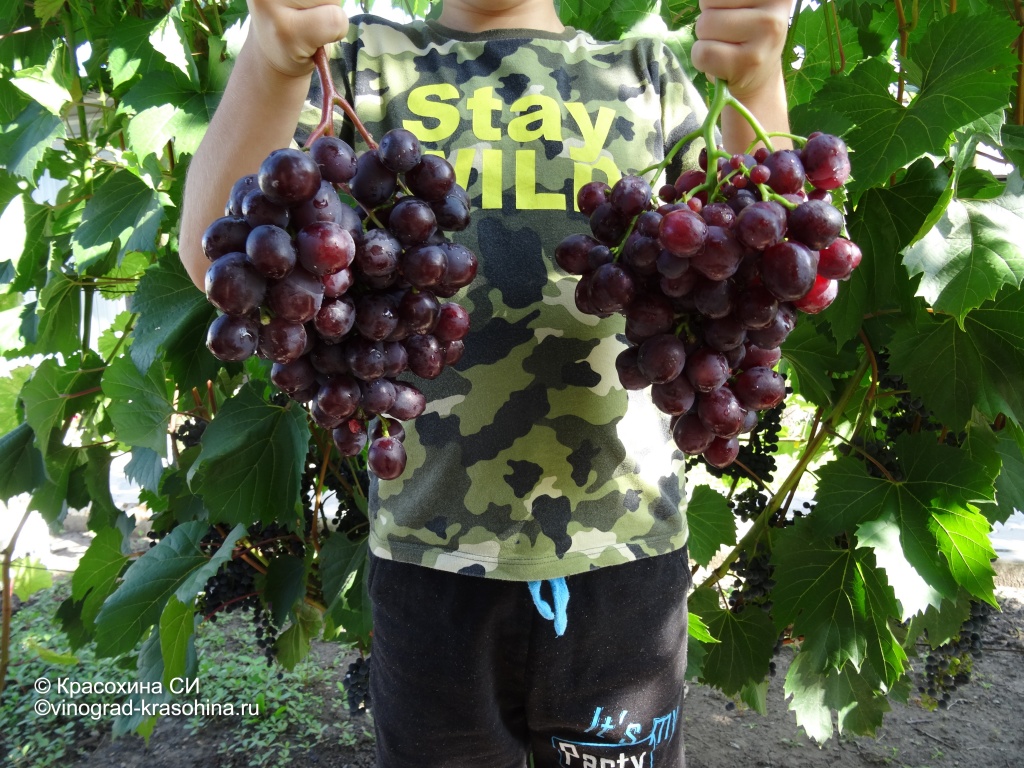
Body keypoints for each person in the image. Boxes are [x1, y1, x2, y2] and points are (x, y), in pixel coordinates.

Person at [179, 0, 792, 765]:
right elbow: (225, 268)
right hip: (429, 567)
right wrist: (271, 61)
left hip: (624, 571)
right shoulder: (356, 60)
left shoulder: (653, 76)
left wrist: (757, 80)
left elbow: (766, 265)